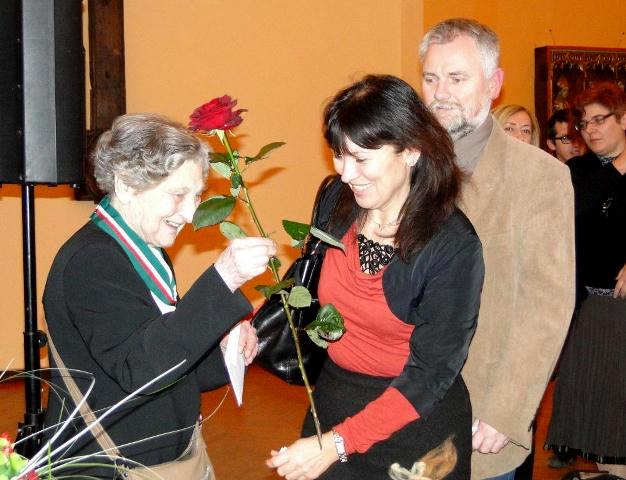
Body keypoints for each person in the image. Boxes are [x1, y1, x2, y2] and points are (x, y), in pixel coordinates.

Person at [266, 74, 484, 479]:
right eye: (338, 155)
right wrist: (251, 329)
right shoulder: (336, 199)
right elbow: (306, 283)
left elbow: (431, 374)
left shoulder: (453, 245)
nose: (346, 173)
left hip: (416, 428)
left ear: (412, 151)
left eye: (361, 158)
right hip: (335, 402)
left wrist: (339, 442)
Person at [43, 113, 276, 478]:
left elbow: (171, 360)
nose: (191, 214)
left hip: (158, 460)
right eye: (178, 194)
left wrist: (225, 347)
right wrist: (223, 279)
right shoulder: (92, 260)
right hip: (110, 468)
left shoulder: (144, 251)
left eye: (196, 196)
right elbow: (140, 370)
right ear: (126, 185)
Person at [419, 18, 576, 480]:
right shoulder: (401, 167)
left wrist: (507, 410)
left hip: (480, 411)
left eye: (456, 78)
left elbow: (546, 306)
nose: (440, 93)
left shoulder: (539, 177)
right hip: (396, 408)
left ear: (493, 84)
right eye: (430, 78)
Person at [545, 82, 626, 479]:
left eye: (600, 119)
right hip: (595, 310)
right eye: (584, 122)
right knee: (603, 424)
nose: (591, 129)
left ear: (623, 119)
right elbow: (570, 221)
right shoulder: (579, 172)